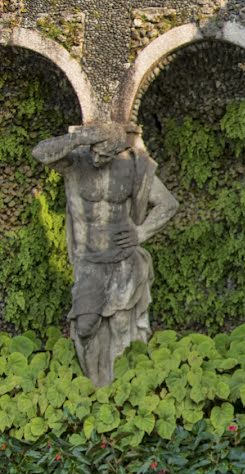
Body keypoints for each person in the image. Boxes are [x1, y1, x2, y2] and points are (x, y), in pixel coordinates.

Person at [32, 122, 179, 387]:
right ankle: (96, 387)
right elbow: (40, 153)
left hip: (123, 259)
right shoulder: (76, 163)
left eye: (106, 153)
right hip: (89, 261)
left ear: (118, 148)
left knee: (123, 327)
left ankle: (120, 391)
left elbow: (168, 204)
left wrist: (142, 232)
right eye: (96, 151)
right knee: (86, 325)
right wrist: (78, 139)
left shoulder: (133, 167)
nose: (99, 157)